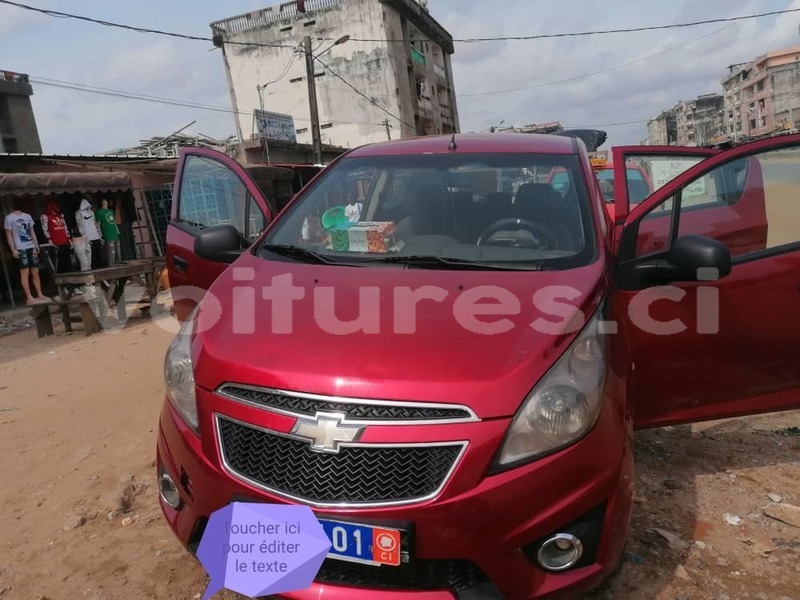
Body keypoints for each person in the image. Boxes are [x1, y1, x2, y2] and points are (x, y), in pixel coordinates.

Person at [4, 202, 49, 305]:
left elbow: (32, 231)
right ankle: (29, 296)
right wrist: (13, 249)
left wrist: (36, 245)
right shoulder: (9, 218)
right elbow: (8, 235)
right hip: (20, 247)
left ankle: (39, 293)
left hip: (31, 245)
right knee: (24, 272)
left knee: (35, 271)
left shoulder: (27, 216)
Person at [41, 198, 73, 273]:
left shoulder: (61, 216)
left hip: (65, 241)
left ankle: (70, 275)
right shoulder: (45, 217)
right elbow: (45, 229)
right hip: (55, 243)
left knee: (68, 260)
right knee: (59, 262)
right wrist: (50, 241)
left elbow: (65, 228)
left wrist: (69, 239)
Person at [75, 198, 103, 269]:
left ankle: (100, 267)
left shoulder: (91, 212)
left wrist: (99, 235)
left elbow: (94, 223)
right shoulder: (79, 213)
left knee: (98, 253)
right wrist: (83, 236)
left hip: (95, 236)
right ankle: (93, 267)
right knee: (91, 255)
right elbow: (80, 225)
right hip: (88, 237)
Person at [95, 199, 121, 266]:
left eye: (106, 201)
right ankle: (111, 263)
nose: (105, 202)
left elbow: (114, 221)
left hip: (114, 232)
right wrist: (99, 234)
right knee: (111, 250)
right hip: (107, 233)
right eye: (104, 201)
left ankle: (118, 262)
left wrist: (117, 230)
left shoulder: (111, 211)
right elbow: (98, 224)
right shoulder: (99, 212)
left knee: (117, 249)